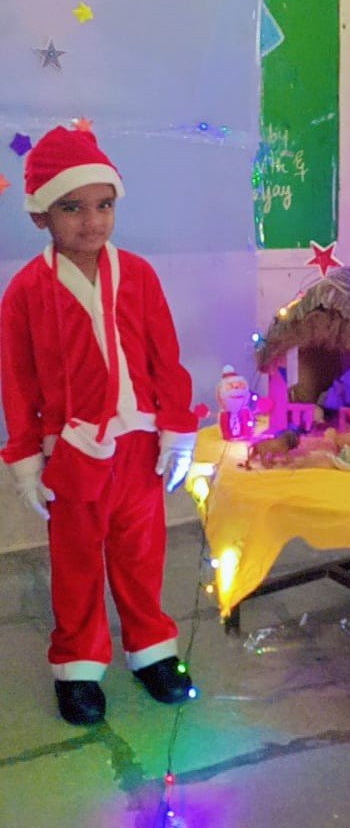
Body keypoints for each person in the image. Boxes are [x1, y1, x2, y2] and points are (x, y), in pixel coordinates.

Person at [0, 126, 198, 726]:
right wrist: (26, 460)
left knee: (141, 553)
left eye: (104, 205)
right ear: (40, 215)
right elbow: (17, 383)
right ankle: (78, 665)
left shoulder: (137, 275)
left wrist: (176, 428)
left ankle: (152, 650)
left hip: (139, 446)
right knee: (77, 562)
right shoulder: (25, 293)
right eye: (73, 207)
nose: (92, 222)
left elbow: (166, 358)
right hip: (72, 453)